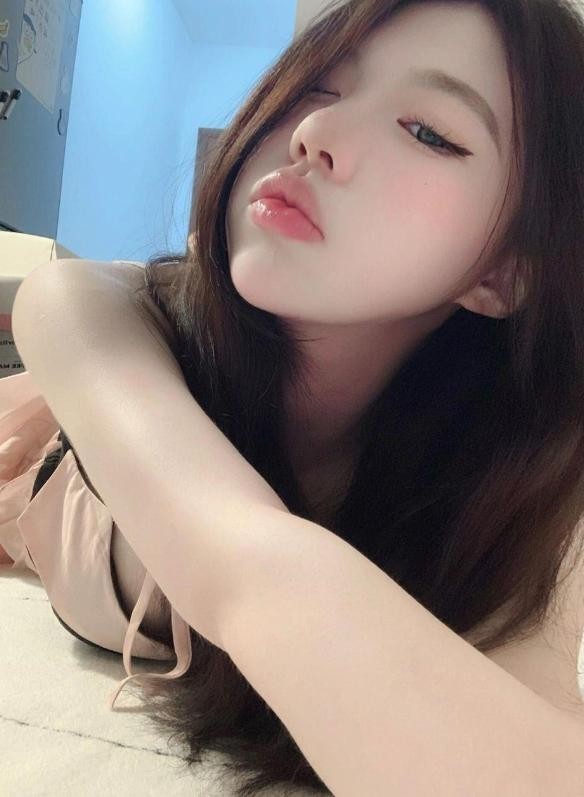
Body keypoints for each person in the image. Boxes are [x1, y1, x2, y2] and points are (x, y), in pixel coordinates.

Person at [2, 0, 584, 794]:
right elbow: (251, 564)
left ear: (506, 270)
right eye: (319, 86)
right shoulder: (89, 307)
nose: (315, 134)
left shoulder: (528, 475)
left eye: (427, 131)